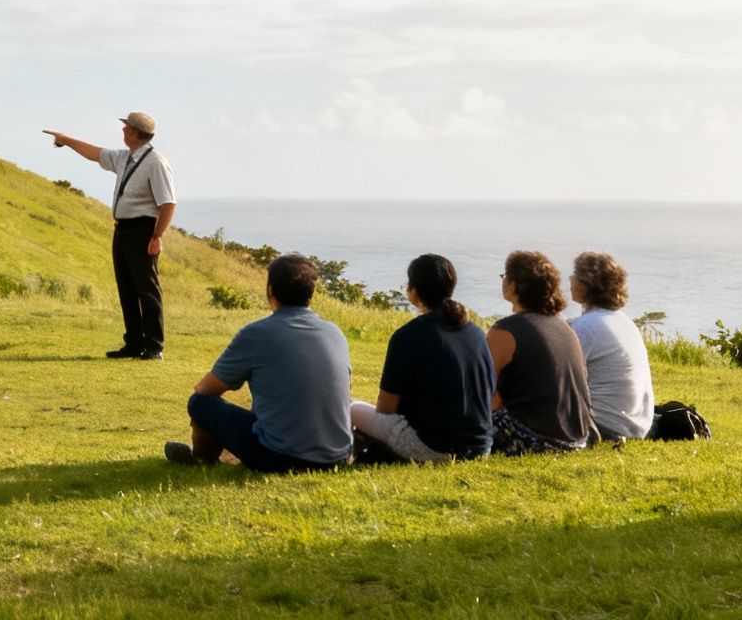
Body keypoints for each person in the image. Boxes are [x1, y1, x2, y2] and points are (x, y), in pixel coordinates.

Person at [165, 254, 352, 472]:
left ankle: (202, 458)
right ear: (311, 293)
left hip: (280, 458)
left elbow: (206, 389)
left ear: (270, 290)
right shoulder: (335, 332)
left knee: (199, 403)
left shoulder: (257, 333)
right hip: (337, 458)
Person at [43, 112, 175, 359]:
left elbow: (168, 203)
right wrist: (65, 139)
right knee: (126, 288)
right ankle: (134, 343)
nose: (123, 131)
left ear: (135, 133)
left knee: (147, 289)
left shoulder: (155, 161)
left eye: (126, 128)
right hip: (122, 229)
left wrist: (157, 237)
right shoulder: (125, 158)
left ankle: (154, 346)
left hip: (143, 230)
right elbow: (94, 153)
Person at [350, 254, 494, 462]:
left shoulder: (407, 336)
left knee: (353, 408)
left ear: (413, 290)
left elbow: (386, 408)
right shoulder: (476, 332)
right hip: (481, 448)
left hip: (435, 448)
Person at [489, 251, 595, 455]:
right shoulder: (563, 326)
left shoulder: (506, 331)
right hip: (578, 440)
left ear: (514, 285)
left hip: (538, 441)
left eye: (505, 277)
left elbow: (479, 388)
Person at [569, 252, 656, 440]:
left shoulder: (585, 328)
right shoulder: (622, 321)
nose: (570, 281)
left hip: (604, 427)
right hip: (637, 425)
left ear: (584, 286)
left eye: (574, 277)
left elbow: (560, 379)